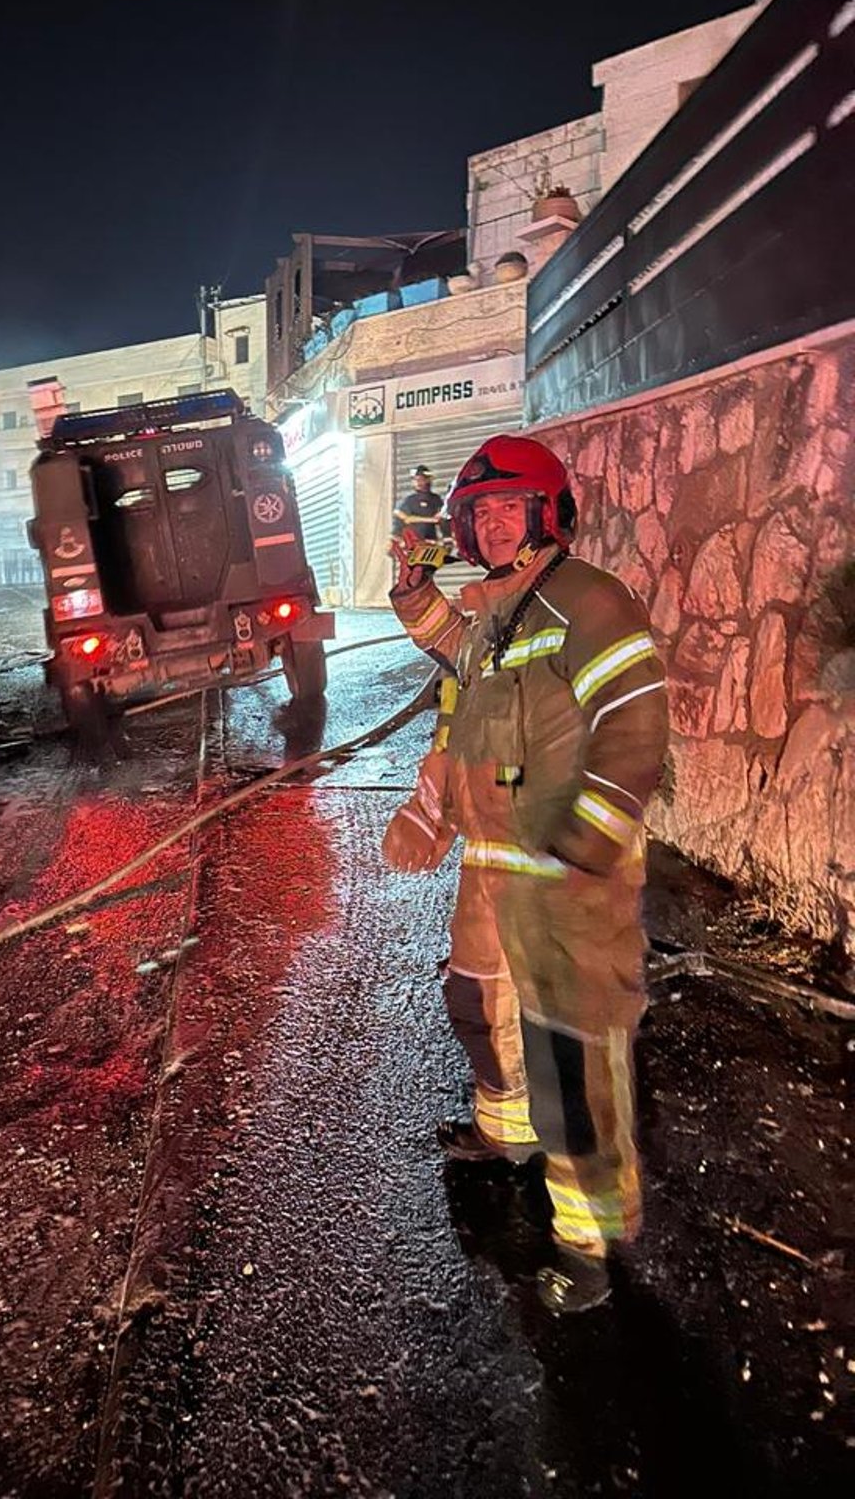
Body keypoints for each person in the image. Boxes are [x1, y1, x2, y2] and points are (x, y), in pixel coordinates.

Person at [383, 435, 668, 1313]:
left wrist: (590, 842)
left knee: (567, 1052)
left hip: (564, 873)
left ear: (549, 515)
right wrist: (411, 591)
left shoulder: (588, 601)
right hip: (491, 865)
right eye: (481, 513)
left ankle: (588, 1240)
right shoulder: (500, 615)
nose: (495, 523)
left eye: (511, 507)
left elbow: (634, 722)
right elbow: (457, 659)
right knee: (475, 1004)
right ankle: (503, 1136)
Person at [390, 464, 450, 548]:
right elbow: (406, 518)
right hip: (412, 544)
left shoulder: (436, 499)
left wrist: (447, 537)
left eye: (422, 479)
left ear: (428, 480)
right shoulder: (409, 500)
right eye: (415, 480)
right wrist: (431, 520)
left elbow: (443, 517)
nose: (418, 482)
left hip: (431, 543)